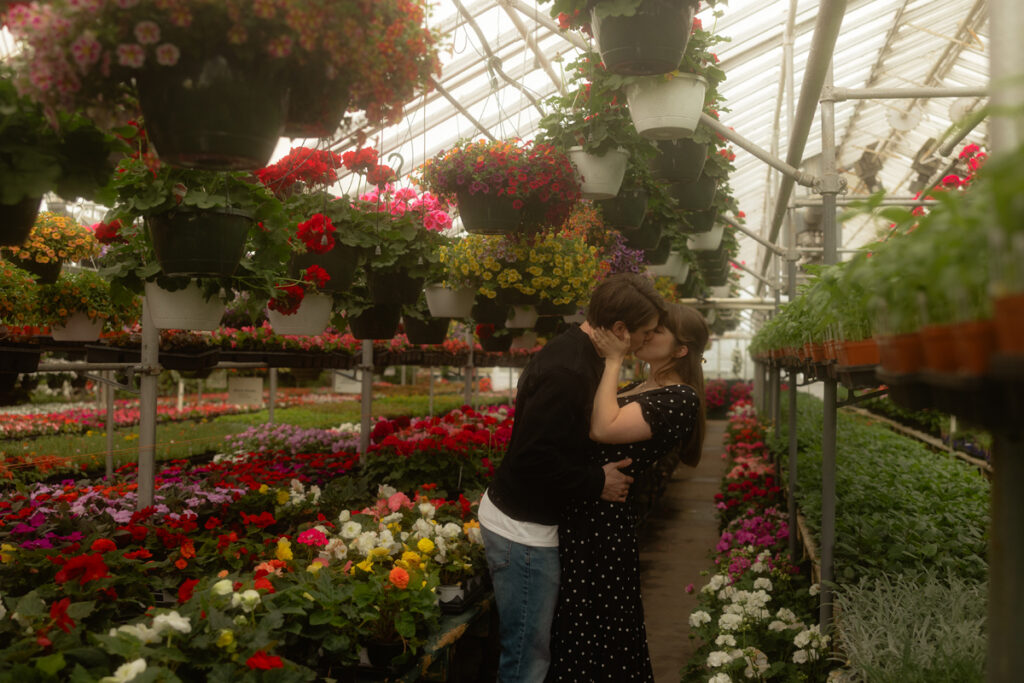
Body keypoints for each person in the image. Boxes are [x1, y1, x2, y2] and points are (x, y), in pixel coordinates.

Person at [479, 273, 667, 683]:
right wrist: (597, 481)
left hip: (531, 523)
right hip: (522, 530)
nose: (646, 342)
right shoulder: (569, 371)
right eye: (645, 333)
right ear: (619, 330)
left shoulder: (579, 353)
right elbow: (534, 459)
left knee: (535, 649)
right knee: (527, 655)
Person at [546, 303, 710, 682]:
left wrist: (614, 359)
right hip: (588, 511)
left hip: (602, 528)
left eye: (658, 332)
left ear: (681, 350)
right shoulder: (644, 386)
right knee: (576, 632)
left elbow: (603, 429)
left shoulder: (681, 398)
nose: (646, 335)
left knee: (598, 637)